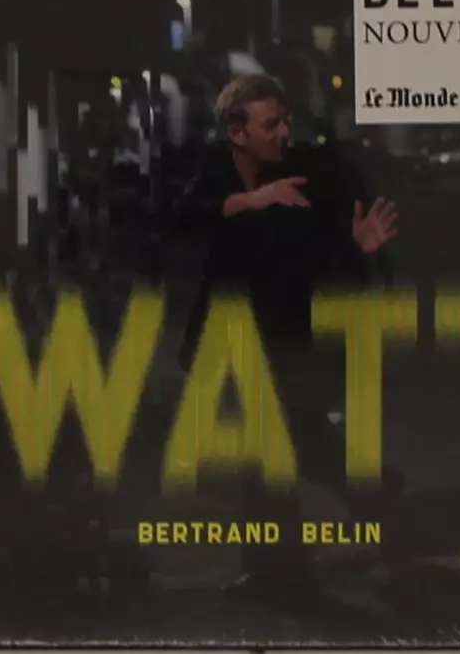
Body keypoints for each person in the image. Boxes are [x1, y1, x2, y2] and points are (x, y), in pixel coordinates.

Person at [178, 74, 401, 601]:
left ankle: (353, 522)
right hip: (237, 337)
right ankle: (286, 565)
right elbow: (187, 218)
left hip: (288, 340)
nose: (282, 132)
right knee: (274, 454)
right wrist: (252, 201)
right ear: (237, 133)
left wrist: (359, 247)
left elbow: (321, 257)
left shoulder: (303, 176)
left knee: (285, 449)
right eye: (270, 124)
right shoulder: (217, 174)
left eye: (285, 121)